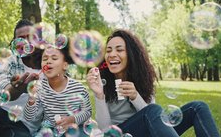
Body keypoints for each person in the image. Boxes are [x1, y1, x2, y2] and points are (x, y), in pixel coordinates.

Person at [87, 29, 220, 137]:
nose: (112, 54)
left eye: (119, 49)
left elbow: (152, 119)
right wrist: (99, 95)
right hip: (119, 134)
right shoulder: (102, 83)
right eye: (108, 50)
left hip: (147, 131)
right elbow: (105, 130)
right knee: (153, 110)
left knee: (198, 107)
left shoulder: (143, 79)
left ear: (131, 54)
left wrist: (135, 97)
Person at [24, 45, 92, 136]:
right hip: (50, 130)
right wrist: (31, 99)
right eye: (44, 59)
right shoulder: (39, 88)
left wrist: (72, 119)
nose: (48, 61)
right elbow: (29, 117)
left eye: (54, 58)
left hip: (76, 127)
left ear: (65, 65)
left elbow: (87, 112)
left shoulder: (78, 88)